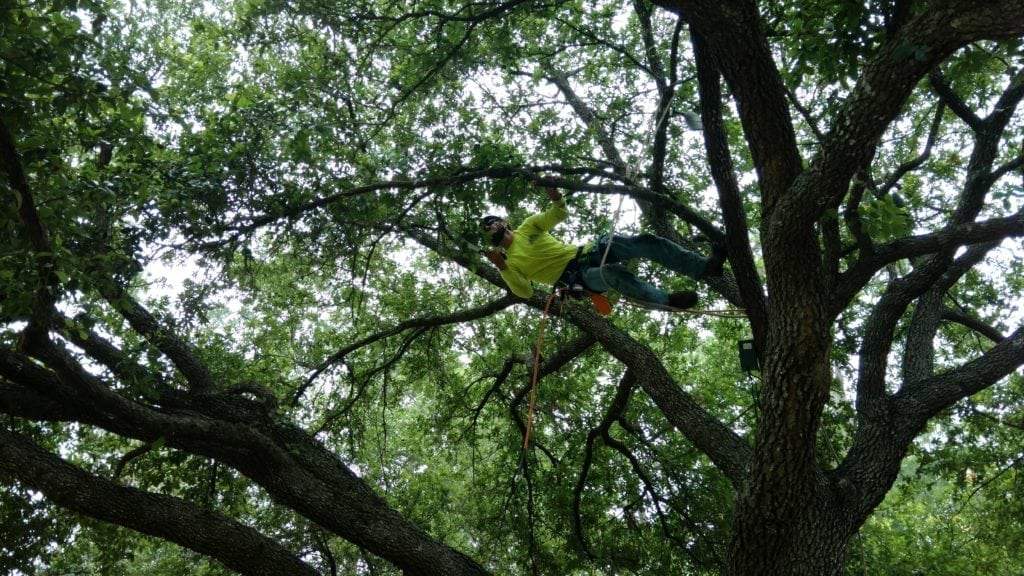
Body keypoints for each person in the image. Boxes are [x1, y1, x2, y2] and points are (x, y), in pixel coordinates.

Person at [481, 185, 726, 310]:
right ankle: (665, 301)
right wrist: (502, 267)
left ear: (504, 222)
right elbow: (525, 292)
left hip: (589, 252)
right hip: (575, 277)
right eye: (487, 228)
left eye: (492, 221)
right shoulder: (510, 264)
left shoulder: (529, 227)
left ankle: (704, 267)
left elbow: (558, 213)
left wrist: (555, 196)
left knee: (644, 241)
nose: (490, 226)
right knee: (613, 275)